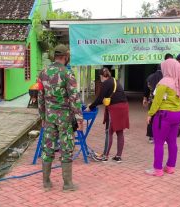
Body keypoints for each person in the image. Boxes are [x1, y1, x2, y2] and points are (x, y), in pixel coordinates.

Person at [38, 44, 83, 191]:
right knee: (66, 148)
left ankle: (46, 183)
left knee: (48, 148)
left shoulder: (43, 73)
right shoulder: (67, 73)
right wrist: (79, 118)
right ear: (65, 57)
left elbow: (40, 97)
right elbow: (74, 98)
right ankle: (67, 184)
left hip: (50, 117)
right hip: (64, 118)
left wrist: (43, 116)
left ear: (54, 56)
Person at [145, 58, 180, 177]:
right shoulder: (179, 81)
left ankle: (157, 169)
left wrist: (150, 114)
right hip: (177, 113)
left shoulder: (164, 82)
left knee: (159, 142)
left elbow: (156, 101)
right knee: (172, 141)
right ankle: (170, 167)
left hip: (164, 115)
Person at [86, 67, 129, 163]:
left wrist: (90, 107)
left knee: (108, 131)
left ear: (101, 76)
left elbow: (100, 98)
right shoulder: (114, 80)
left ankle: (104, 156)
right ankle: (118, 156)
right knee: (119, 132)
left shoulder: (106, 83)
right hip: (124, 107)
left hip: (115, 109)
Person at [143, 53, 173, 143]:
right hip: (163, 102)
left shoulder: (150, 77)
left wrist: (145, 98)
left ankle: (151, 137)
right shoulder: (166, 77)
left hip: (152, 100)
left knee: (151, 117)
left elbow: (146, 89)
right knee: (162, 119)